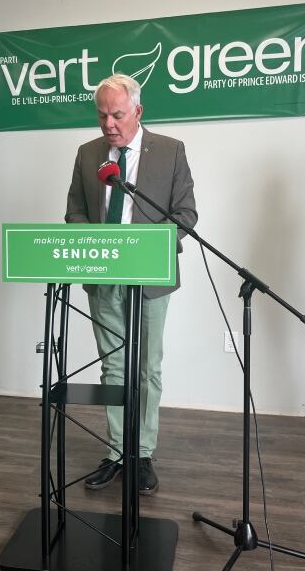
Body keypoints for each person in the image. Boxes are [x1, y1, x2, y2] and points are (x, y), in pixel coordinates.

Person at [65, 74, 197, 495]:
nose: (108, 123)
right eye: (102, 114)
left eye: (117, 114)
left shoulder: (170, 151)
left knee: (147, 367)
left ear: (137, 111)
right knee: (113, 366)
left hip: (151, 278)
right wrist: (98, 245)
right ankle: (117, 451)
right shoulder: (87, 154)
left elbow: (185, 215)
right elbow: (75, 213)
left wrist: (154, 250)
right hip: (103, 279)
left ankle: (142, 453)